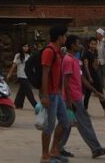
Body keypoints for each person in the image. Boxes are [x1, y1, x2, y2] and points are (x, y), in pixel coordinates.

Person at [61, 35, 105, 159]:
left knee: (66, 124)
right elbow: (65, 83)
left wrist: (96, 91)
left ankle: (58, 147)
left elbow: (82, 79)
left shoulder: (75, 60)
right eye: (78, 43)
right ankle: (96, 148)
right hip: (73, 98)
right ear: (72, 45)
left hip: (75, 96)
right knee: (84, 123)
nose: (80, 45)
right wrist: (69, 100)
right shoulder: (68, 60)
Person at [38, 25, 70, 163]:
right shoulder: (49, 51)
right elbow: (45, 74)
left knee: (65, 122)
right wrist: (45, 96)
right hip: (50, 94)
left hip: (56, 93)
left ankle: (54, 150)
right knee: (49, 125)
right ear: (59, 37)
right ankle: (45, 155)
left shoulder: (57, 52)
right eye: (64, 36)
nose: (65, 38)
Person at [82, 37, 105, 116]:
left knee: (97, 92)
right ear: (89, 44)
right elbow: (86, 66)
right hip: (89, 75)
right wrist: (89, 77)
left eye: (95, 44)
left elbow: (95, 65)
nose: (93, 45)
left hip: (95, 75)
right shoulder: (86, 53)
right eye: (91, 44)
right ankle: (85, 110)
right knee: (89, 94)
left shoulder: (95, 53)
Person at [8, 42, 38, 110]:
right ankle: (35, 105)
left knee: (22, 91)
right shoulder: (18, 55)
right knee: (28, 91)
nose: (26, 48)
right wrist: (10, 73)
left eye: (27, 46)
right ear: (21, 47)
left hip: (27, 76)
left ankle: (18, 104)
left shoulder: (29, 55)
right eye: (24, 46)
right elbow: (14, 65)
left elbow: (32, 66)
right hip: (21, 75)